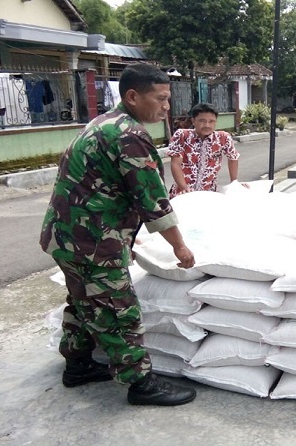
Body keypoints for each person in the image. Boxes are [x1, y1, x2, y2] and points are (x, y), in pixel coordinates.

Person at [40, 63, 197, 407]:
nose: (167, 106)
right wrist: (180, 247)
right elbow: (153, 202)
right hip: (92, 243)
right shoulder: (130, 135)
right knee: (118, 309)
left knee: (84, 302)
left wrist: (126, 232)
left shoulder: (103, 123)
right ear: (133, 96)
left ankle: (78, 365)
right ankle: (141, 384)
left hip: (67, 237)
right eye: (161, 98)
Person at [167, 102, 242, 198]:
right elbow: (175, 163)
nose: (207, 125)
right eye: (202, 121)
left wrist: (234, 182)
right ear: (193, 121)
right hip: (182, 194)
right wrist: (183, 188)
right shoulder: (182, 135)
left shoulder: (223, 138)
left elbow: (233, 157)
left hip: (208, 194)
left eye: (211, 121)